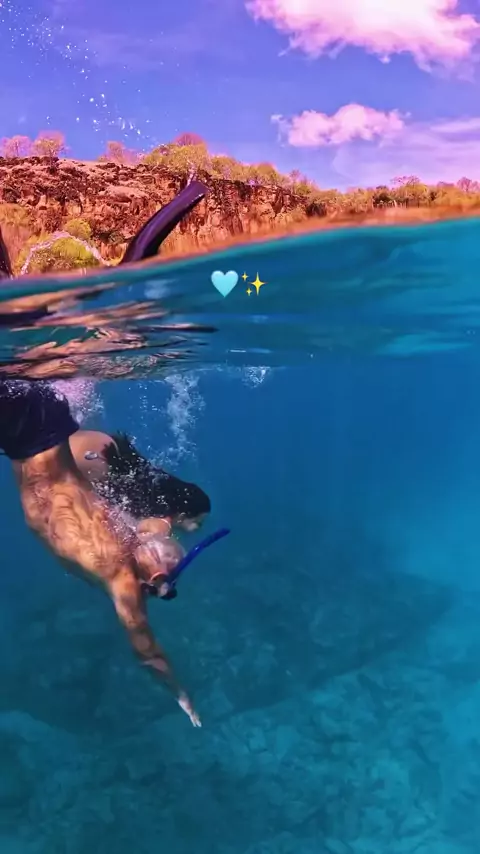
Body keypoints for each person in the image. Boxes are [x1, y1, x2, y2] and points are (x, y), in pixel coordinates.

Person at [0, 378, 201, 726]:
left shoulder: (123, 572)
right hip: (37, 426)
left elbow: (148, 653)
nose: (155, 540)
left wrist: (179, 693)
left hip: (28, 433)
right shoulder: (126, 542)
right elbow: (152, 524)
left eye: (164, 550)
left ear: (156, 574)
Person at [68, 429, 210, 535]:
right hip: (94, 461)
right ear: (182, 515)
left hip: (107, 444)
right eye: (197, 523)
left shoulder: (156, 478)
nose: (196, 529)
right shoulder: (154, 518)